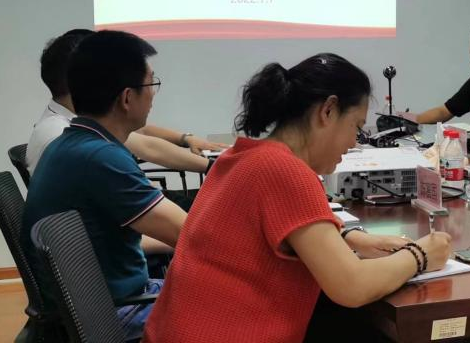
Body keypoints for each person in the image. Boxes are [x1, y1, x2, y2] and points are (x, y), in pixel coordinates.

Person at [143, 54, 454, 343]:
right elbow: (352, 286)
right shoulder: (286, 170)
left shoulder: (241, 156)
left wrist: (350, 239)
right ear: (328, 111)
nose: (353, 142)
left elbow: (266, 231)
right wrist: (421, 254)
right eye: (356, 127)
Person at [21, 30, 188, 340]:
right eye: (151, 84)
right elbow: (190, 233)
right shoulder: (100, 157)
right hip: (120, 312)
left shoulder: (72, 143)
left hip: (98, 306)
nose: (153, 94)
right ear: (127, 98)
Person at [26, 28, 228, 175]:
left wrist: (188, 141)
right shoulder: (66, 138)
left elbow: (143, 139)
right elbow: (146, 148)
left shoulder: (76, 126)